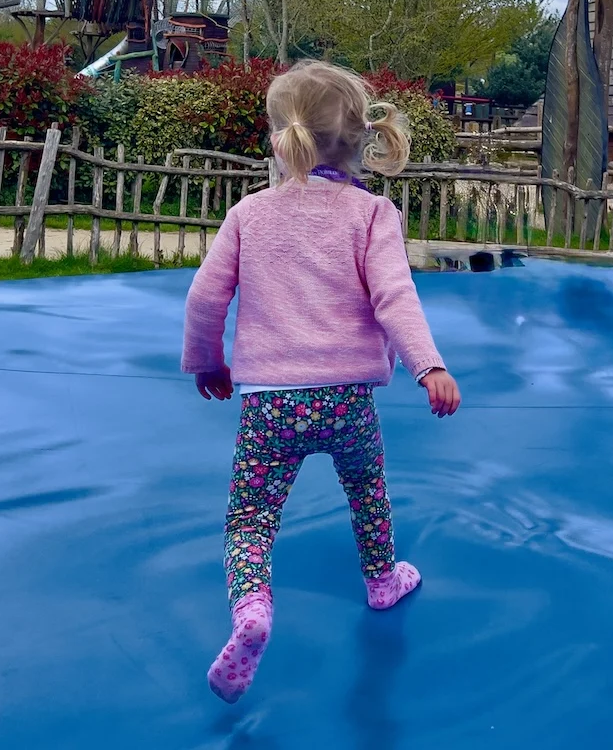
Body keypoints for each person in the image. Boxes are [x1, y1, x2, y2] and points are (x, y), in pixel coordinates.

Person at [181, 60, 461, 704]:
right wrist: (429, 365)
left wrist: (207, 362)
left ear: (282, 140)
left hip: (270, 406)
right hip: (347, 401)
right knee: (367, 490)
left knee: (250, 518)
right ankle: (382, 578)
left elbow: (204, 298)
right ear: (361, 139)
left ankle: (251, 607)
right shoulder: (372, 214)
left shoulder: (250, 214)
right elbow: (395, 298)